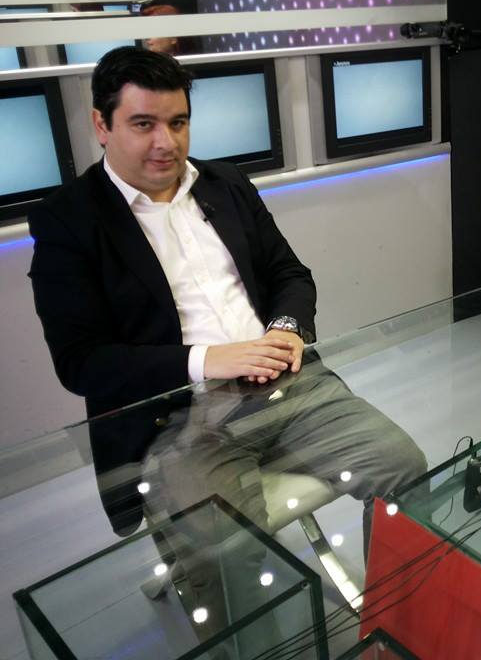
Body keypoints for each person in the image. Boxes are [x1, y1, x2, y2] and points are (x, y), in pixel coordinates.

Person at [28, 46, 426, 541]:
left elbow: (289, 274)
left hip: (287, 386)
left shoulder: (226, 183)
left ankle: (395, 597)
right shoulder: (68, 220)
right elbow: (82, 362)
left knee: (405, 468)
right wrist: (206, 360)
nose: (166, 142)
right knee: (226, 545)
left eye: (178, 123)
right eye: (143, 124)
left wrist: (286, 330)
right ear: (101, 125)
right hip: (176, 421)